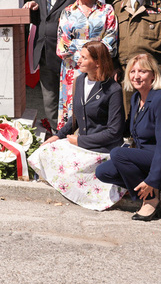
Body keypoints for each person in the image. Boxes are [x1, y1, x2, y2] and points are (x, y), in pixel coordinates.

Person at [28, 41, 125, 210]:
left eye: (83, 57)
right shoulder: (80, 81)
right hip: (81, 142)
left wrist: (80, 142)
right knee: (44, 151)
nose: (78, 60)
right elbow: (77, 117)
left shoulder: (113, 89)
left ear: (98, 63)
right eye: (79, 56)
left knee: (72, 169)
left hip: (101, 147)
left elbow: (114, 131)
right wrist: (58, 135)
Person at [96, 54, 161, 221]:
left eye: (142, 71)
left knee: (118, 154)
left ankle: (151, 197)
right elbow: (125, 129)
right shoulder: (136, 98)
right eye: (132, 71)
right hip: (146, 157)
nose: (136, 76)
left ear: (153, 75)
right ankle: (144, 187)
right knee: (103, 172)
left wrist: (153, 179)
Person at [56, 0, 118, 130]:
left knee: (97, 107)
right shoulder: (67, 12)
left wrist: (92, 59)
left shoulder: (107, 10)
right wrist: (85, 58)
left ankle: (97, 141)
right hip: (74, 69)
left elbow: (111, 38)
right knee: (74, 108)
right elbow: (63, 45)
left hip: (99, 68)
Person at [111, 0, 161, 117]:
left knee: (154, 117)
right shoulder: (117, 7)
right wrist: (114, 66)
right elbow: (111, 40)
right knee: (127, 117)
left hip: (155, 75)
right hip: (126, 75)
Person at [23, 0, 78, 131]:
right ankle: (56, 131)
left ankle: (74, 129)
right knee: (49, 98)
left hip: (68, 55)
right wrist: (29, 8)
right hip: (45, 53)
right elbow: (41, 21)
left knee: (71, 96)